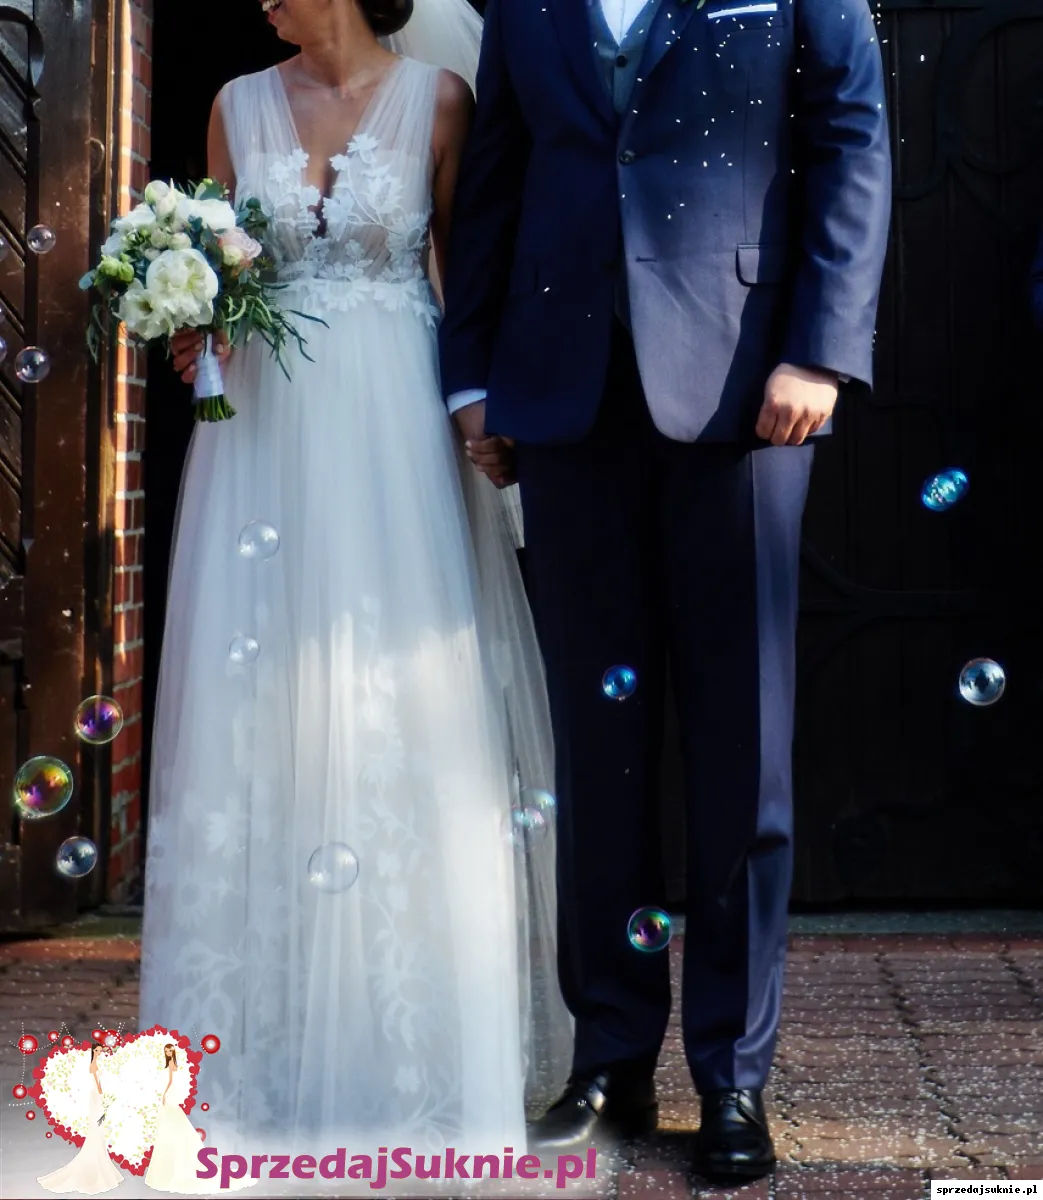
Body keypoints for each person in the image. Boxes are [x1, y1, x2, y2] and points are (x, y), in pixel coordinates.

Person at [438, 0, 891, 1183]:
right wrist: (470, 377)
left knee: (744, 753)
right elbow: (494, 177)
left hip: (745, 391)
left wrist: (819, 346)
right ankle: (608, 1060)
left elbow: (849, 136)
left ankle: (732, 1077)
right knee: (597, 754)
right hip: (564, 401)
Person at [138, 0, 570, 1159]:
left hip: (393, 433)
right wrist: (193, 322)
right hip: (266, 440)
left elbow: (466, 276)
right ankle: (263, 1052)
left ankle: (415, 1049)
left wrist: (486, 412)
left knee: (404, 705)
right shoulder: (235, 105)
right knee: (261, 703)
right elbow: (219, 271)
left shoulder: (441, 101)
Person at [38, 1045, 124, 1195]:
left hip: (97, 1096)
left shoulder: (98, 1064)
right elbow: (96, 1083)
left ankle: (99, 1162)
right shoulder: (93, 1065)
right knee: (96, 1128)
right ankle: (94, 1164)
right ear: (93, 1052)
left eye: (100, 1051)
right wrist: (102, 1094)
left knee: (99, 1129)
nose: (99, 1053)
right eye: (96, 1051)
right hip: (96, 1096)